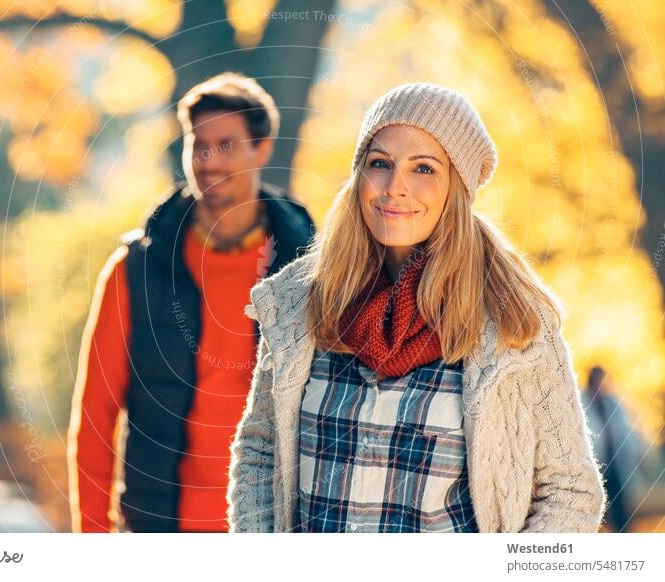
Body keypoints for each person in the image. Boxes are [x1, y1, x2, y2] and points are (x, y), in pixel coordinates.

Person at [227, 82, 606, 533]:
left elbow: (569, 492)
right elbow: (259, 452)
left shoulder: (514, 323)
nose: (395, 187)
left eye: (423, 168)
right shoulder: (301, 302)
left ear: (456, 187)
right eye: (380, 164)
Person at [68, 72, 315, 532]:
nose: (207, 160)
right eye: (197, 144)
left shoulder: (311, 271)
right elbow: (95, 416)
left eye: (225, 145)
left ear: (261, 149)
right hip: (160, 527)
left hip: (273, 526)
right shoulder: (135, 269)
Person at [581, 366, 645, 532]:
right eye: (596, 381)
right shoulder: (581, 402)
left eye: (601, 381)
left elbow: (625, 431)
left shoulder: (612, 403)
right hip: (595, 465)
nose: (599, 385)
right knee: (594, 509)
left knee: (620, 509)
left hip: (614, 462)